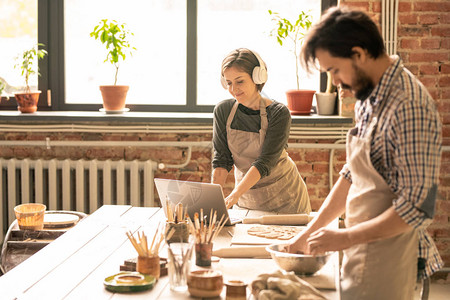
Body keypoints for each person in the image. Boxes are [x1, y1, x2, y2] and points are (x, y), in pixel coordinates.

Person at [287, 7, 443, 300]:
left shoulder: (409, 106)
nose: (335, 82)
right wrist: (309, 232)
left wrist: (344, 237)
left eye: (333, 70)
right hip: (361, 247)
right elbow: (352, 174)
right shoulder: (368, 98)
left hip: (392, 257)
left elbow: (416, 208)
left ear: (358, 54)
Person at [211, 48, 311, 214]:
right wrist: (212, 199)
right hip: (246, 198)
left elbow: (265, 162)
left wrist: (234, 195)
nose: (234, 89)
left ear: (258, 77)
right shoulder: (223, 110)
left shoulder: (279, 113)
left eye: (240, 81)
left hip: (286, 199)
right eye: (229, 83)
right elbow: (221, 159)